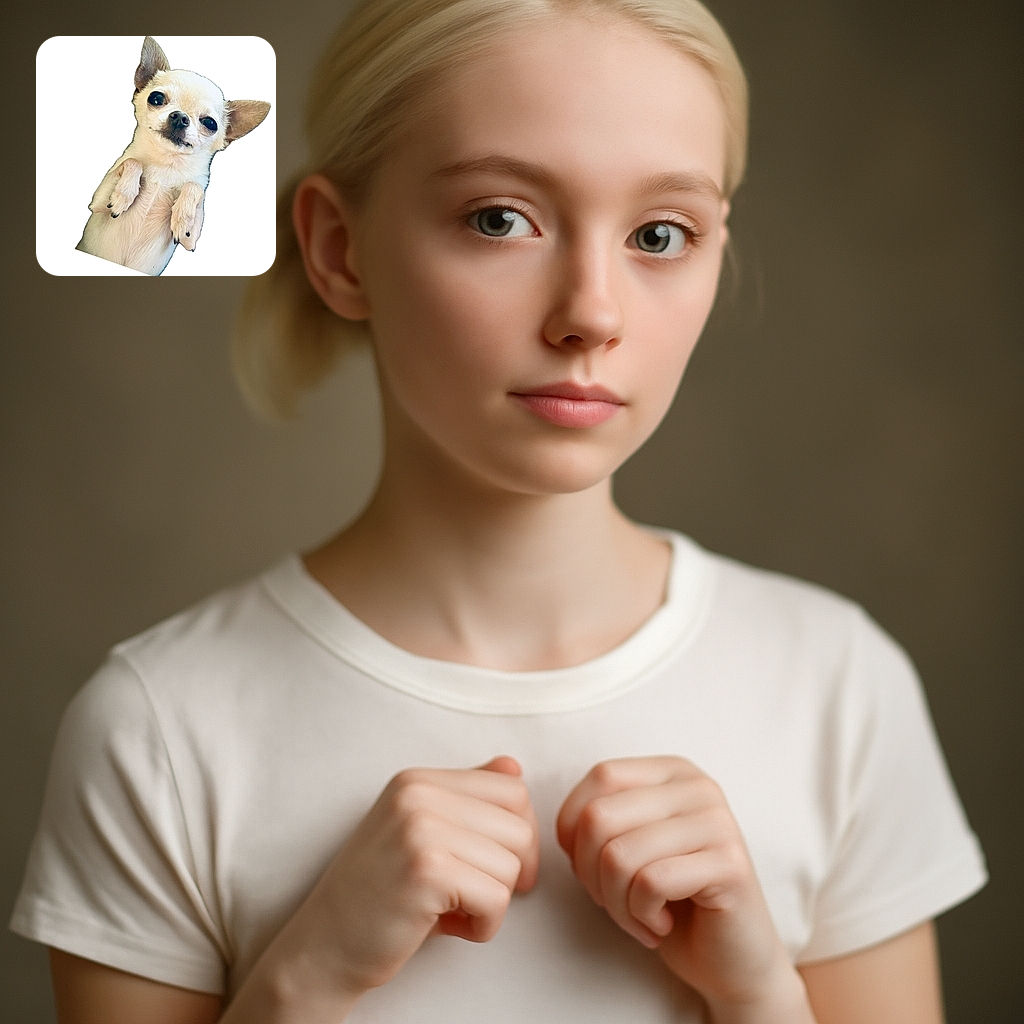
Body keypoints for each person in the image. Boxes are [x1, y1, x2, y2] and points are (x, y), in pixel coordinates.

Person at [12, 1, 986, 1021]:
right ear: (340, 251)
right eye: (499, 218)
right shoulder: (160, 731)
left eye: (660, 234)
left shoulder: (839, 689)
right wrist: (305, 978)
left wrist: (756, 991)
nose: (592, 314)